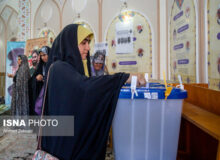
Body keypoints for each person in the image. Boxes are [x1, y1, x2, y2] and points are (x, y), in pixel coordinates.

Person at [40, 24, 145, 160]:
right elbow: (85, 88)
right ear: (70, 43)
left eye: (88, 43)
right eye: (83, 43)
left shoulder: (72, 68)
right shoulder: (59, 68)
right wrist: (123, 78)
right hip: (61, 147)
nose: (88, 48)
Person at [29, 46, 50, 115]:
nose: (42, 57)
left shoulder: (54, 65)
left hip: (50, 93)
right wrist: (36, 78)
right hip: (42, 93)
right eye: (41, 56)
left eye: (44, 55)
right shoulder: (41, 66)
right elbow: (32, 80)